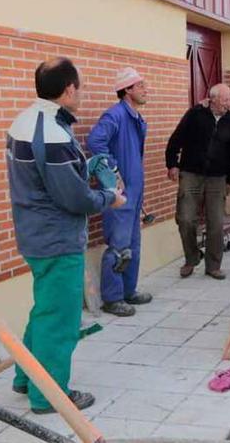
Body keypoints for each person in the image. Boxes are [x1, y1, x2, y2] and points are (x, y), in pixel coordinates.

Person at [7, 57, 125, 414]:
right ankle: (49, 395)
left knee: (45, 310)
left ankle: (26, 378)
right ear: (69, 89)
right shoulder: (54, 133)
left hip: (35, 234)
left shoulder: (26, 120)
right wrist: (110, 198)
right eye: (81, 87)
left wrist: (85, 167)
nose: (82, 93)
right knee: (61, 319)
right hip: (56, 240)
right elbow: (73, 198)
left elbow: (47, 178)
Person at [87, 67, 152, 317]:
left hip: (135, 192)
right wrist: (112, 171)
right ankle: (112, 298)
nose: (146, 90)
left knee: (132, 242)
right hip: (120, 194)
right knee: (118, 244)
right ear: (127, 90)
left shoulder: (135, 117)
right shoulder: (114, 115)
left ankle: (128, 291)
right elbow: (95, 141)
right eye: (141, 86)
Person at [165, 84, 230, 280]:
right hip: (191, 173)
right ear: (212, 99)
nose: (228, 104)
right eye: (225, 100)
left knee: (215, 222)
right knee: (185, 218)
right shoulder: (195, 114)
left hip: (218, 177)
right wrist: (172, 164)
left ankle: (213, 265)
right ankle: (192, 258)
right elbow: (175, 139)